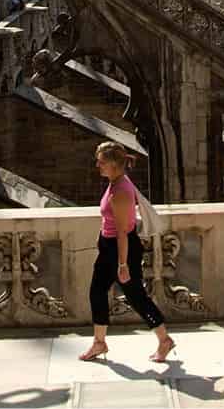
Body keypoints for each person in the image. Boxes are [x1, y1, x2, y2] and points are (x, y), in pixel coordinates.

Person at [80, 142, 176, 363]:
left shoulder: (121, 190)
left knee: (136, 297)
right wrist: (102, 236)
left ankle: (164, 340)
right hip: (109, 246)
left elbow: (124, 232)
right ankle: (99, 342)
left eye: (101, 162)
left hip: (120, 250)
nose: (98, 165)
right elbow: (112, 221)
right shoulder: (115, 182)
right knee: (97, 291)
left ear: (114, 164)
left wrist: (123, 265)